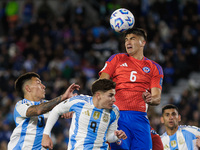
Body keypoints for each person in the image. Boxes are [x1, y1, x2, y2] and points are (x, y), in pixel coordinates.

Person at [99, 27, 164, 149]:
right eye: (126, 40)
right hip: (118, 116)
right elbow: (101, 83)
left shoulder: (155, 67)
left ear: (143, 43)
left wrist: (150, 99)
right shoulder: (117, 59)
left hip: (140, 118)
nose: (128, 42)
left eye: (132, 39)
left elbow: (157, 98)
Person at [41, 78, 127, 150]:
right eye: (110, 95)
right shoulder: (80, 101)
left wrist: (116, 136)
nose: (114, 99)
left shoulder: (114, 111)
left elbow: (109, 137)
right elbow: (56, 110)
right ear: (98, 95)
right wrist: (46, 135)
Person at [7, 72, 80, 150]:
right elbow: (39, 110)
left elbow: (59, 109)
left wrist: (69, 107)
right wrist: (63, 97)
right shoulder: (20, 105)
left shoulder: (46, 104)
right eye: (38, 83)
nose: (43, 86)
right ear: (28, 88)